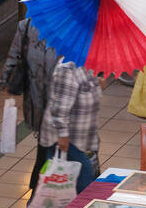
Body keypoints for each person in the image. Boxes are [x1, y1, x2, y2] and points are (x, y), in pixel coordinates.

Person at [2, 16, 63, 200]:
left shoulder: (72, 31)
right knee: (47, 145)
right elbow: (15, 55)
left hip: (54, 100)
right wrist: (7, 80)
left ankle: (39, 188)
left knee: (47, 145)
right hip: (40, 98)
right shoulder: (27, 25)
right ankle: (41, 190)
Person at [40, 60, 102, 194]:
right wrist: (63, 136)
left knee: (61, 188)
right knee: (83, 186)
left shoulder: (88, 65)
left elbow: (83, 91)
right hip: (68, 141)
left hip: (82, 139)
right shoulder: (67, 70)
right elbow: (59, 109)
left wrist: (97, 83)